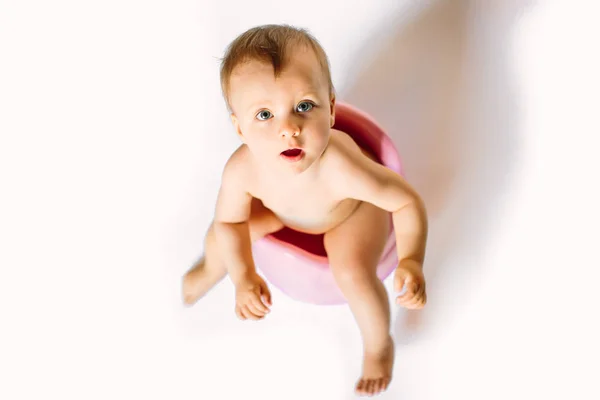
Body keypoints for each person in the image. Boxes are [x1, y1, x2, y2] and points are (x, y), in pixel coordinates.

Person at [182, 24, 428, 397]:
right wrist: (244, 275)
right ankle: (208, 270)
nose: (289, 129)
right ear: (239, 127)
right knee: (224, 235)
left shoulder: (342, 167)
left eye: (303, 106)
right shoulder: (242, 170)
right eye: (264, 116)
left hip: (349, 215)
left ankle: (379, 347)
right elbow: (230, 221)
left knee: (352, 272)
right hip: (285, 212)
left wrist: (411, 258)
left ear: (330, 109)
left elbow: (405, 201)